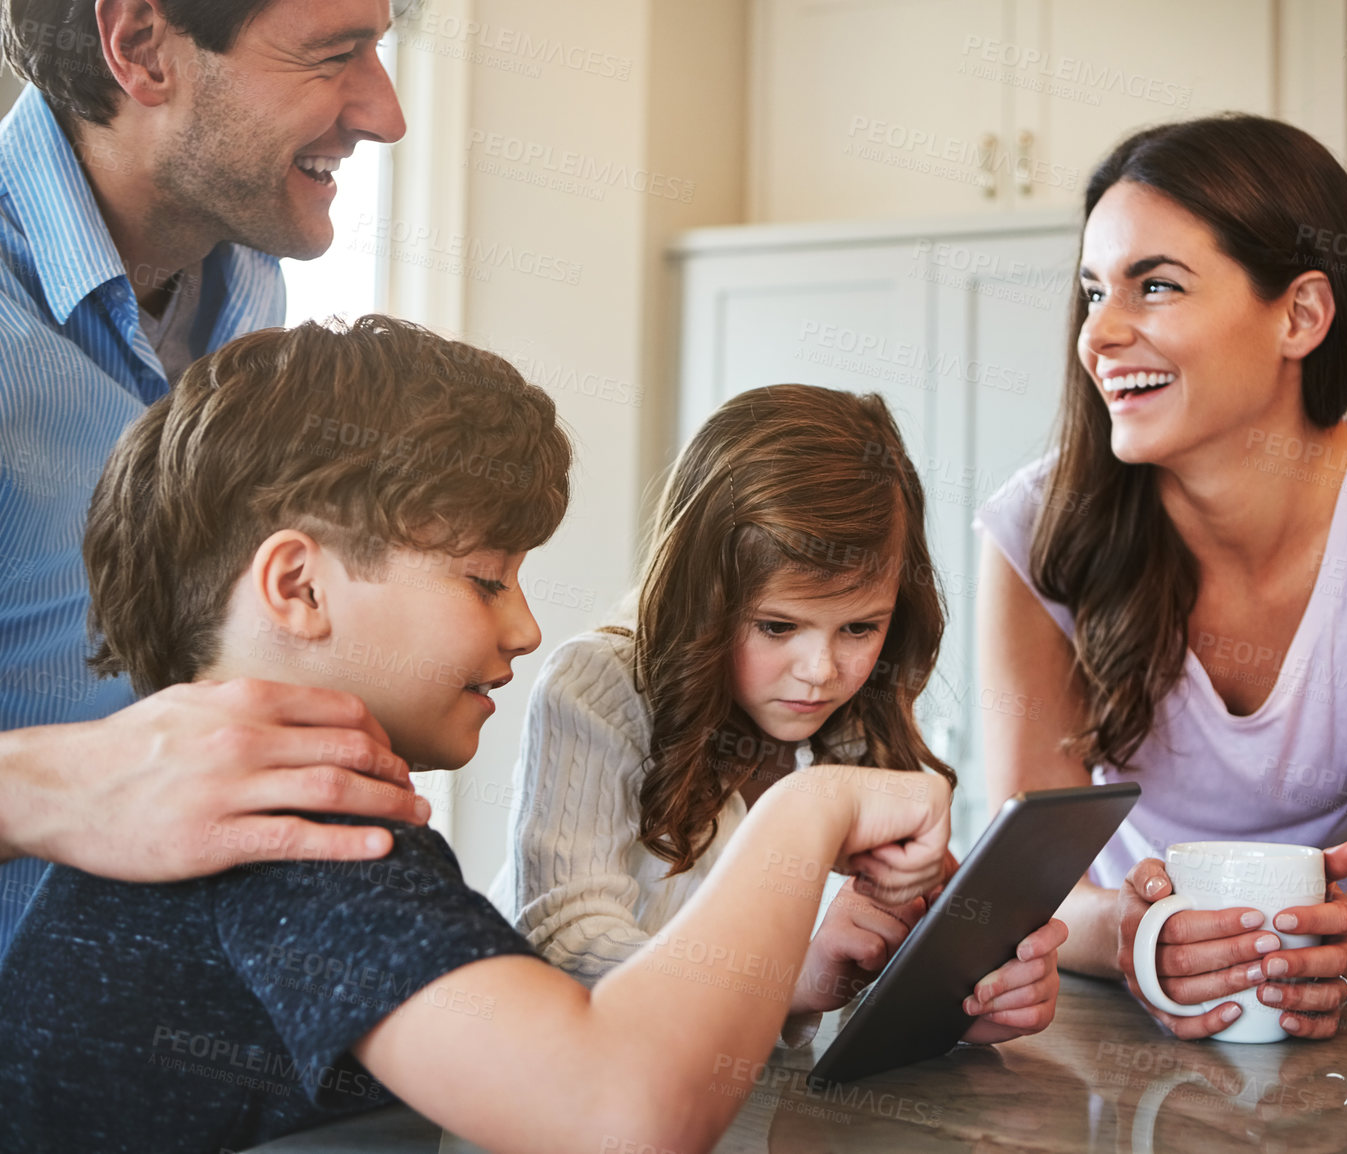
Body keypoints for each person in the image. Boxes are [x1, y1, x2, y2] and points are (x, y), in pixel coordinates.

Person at [0, 317, 954, 1154]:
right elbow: (620, 1114)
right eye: (485, 580)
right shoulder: (296, 836)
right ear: (299, 587)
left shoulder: (224, 818)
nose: (526, 630)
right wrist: (809, 810)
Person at [975, 115, 1347, 1041]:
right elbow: (1031, 873)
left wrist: (1337, 942)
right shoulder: (1037, 530)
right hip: (1103, 1009)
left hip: (1331, 1026)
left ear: (1300, 315)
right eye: (1094, 291)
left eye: (1157, 285)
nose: (1098, 334)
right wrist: (1139, 937)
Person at [0, 0, 418, 949]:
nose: (386, 114)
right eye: (334, 55)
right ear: (143, 50)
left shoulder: (250, 275)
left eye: (380, 51)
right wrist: (43, 786)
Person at [492, 384, 1066, 1046]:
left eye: (859, 627)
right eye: (776, 625)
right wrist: (783, 979)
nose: (821, 671)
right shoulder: (598, 686)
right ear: (701, 597)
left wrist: (965, 987)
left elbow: (880, 944)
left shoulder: (851, 722)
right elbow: (564, 944)